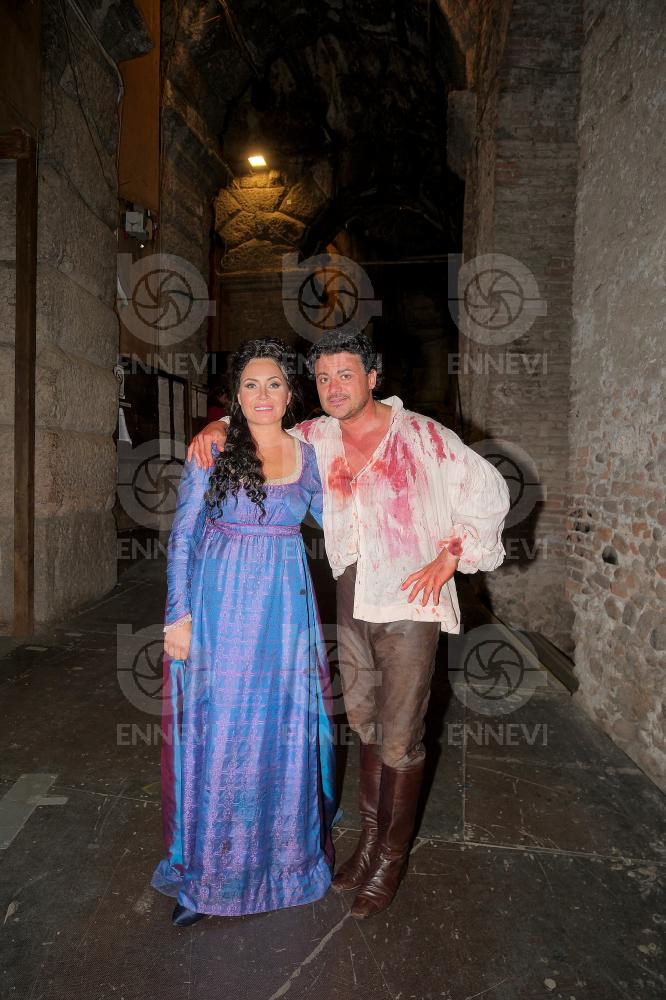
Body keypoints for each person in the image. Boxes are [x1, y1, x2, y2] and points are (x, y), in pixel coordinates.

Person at [188, 329, 510, 919]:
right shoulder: (318, 437)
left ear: (373, 377)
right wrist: (217, 426)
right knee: (363, 722)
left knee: (401, 737)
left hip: (409, 601)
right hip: (353, 594)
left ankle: (390, 858)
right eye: (323, 378)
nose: (334, 387)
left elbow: (488, 492)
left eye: (346, 374)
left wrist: (451, 556)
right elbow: (263, 424)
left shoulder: (423, 436)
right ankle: (367, 844)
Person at [151, 338, 336, 926]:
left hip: (285, 615)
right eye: (250, 384)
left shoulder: (309, 457)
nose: (262, 395)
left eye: (274, 383)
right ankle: (209, 878)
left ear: (290, 393)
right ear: (235, 393)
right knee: (224, 736)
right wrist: (177, 617)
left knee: (283, 734)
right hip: (221, 613)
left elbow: (345, 525)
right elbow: (183, 536)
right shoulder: (213, 449)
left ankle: (286, 865)